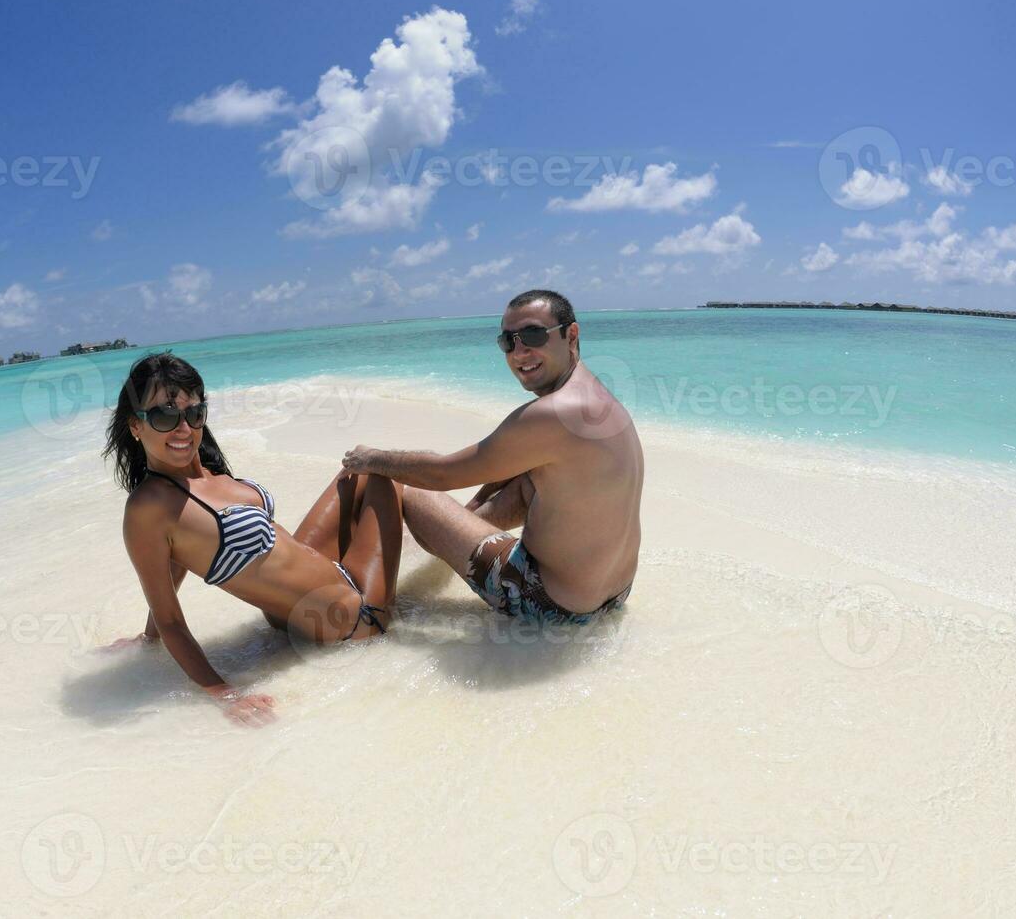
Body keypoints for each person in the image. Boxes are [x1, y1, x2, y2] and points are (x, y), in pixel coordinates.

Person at [105, 352, 404, 725]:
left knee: (360, 472)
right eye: (166, 416)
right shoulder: (149, 508)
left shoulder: (209, 474)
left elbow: (178, 560)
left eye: (194, 413)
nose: (184, 429)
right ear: (136, 425)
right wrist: (225, 695)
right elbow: (172, 621)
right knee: (385, 475)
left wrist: (145, 639)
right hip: (354, 618)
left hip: (293, 611)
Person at [341, 289, 642, 624]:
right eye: (508, 341)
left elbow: (442, 474)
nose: (519, 352)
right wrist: (469, 512)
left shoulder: (549, 414)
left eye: (532, 335)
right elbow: (507, 464)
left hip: (551, 604)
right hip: (615, 593)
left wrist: (370, 458)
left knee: (412, 490)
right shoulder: (596, 397)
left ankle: (369, 608)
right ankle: (466, 526)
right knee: (531, 478)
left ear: (570, 335)